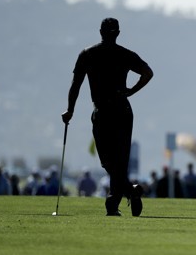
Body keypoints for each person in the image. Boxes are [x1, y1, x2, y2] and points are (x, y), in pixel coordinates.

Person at [62, 18, 153, 216]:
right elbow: (148, 73)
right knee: (119, 160)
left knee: (107, 160)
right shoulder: (125, 54)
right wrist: (131, 91)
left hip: (103, 111)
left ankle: (115, 202)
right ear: (118, 33)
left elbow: (75, 85)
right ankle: (124, 194)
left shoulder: (88, 54)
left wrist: (70, 110)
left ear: (100, 31)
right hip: (123, 110)